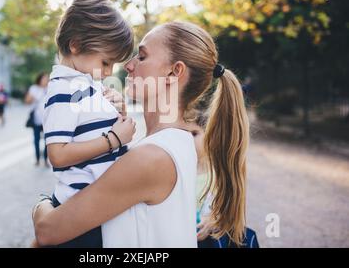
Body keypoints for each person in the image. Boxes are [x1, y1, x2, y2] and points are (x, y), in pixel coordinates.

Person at [32, 21, 250, 248]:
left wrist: (42, 202)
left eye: (142, 57)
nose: (128, 65)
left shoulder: (151, 158)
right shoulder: (178, 142)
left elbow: (47, 231)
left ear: (174, 72)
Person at [38, 0, 135, 247]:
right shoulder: (64, 89)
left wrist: (119, 110)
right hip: (79, 213)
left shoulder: (83, 85)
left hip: (96, 207)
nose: (109, 71)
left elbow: (91, 129)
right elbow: (58, 154)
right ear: (76, 45)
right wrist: (113, 139)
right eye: (106, 61)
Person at [25, 72, 50, 166]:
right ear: (40, 79)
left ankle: (46, 159)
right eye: (44, 78)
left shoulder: (50, 88)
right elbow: (27, 101)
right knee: (36, 140)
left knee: (47, 141)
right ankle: (37, 159)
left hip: (47, 119)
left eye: (47, 78)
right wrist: (34, 97)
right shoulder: (34, 88)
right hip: (36, 119)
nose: (46, 80)